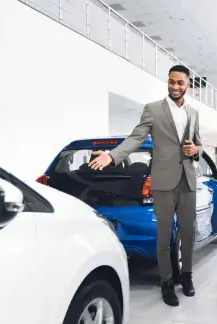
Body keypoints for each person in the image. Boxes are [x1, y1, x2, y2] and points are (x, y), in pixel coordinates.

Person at [88, 65, 202, 307]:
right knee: (163, 236)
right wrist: (112, 156)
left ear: (188, 85)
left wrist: (197, 150)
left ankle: (187, 276)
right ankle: (166, 283)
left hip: (187, 180)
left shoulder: (193, 113)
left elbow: (197, 144)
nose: (175, 86)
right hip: (162, 181)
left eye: (180, 83)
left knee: (189, 232)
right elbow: (136, 137)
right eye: (171, 82)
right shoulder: (152, 109)